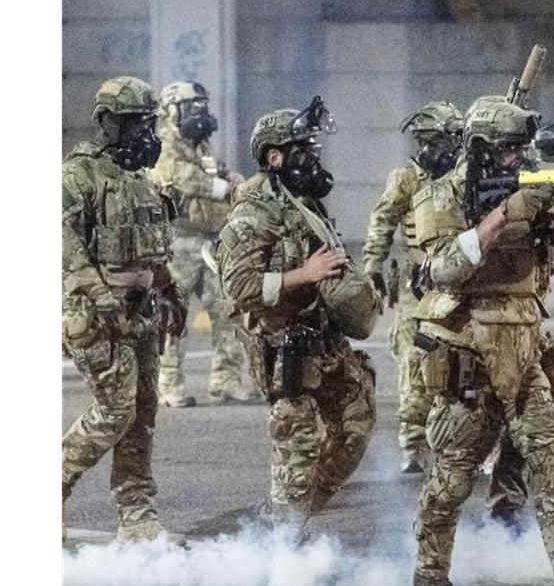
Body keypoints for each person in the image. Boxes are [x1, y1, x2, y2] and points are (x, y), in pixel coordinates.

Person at [409, 96, 554, 586]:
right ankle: (428, 573)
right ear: (484, 149)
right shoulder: (441, 194)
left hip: (525, 350)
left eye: (524, 150)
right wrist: (503, 216)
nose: (522, 159)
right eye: (512, 150)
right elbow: (439, 269)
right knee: (452, 477)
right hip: (466, 352)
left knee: (551, 464)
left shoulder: (532, 189)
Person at [216, 100, 379, 523]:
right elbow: (237, 287)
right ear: (275, 157)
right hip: (284, 351)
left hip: (325, 342)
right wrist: (303, 275)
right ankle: (285, 544)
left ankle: (290, 517)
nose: (314, 159)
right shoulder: (253, 216)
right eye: (303, 150)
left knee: (356, 426)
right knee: (297, 451)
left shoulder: (306, 206)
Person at [62, 76, 187, 541]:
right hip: (95, 315)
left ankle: (137, 513)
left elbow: (154, 250)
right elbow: (63, 244)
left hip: (141, 314)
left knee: (143, 413)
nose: (143, 134)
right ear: (107, 123)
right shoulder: (79, 176)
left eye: (147, 123)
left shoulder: (143, 181)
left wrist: (170, 291)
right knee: (115, 410)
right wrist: (100, 297)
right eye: (133, 123)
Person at [362, 100, 464, 473]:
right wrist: (372, 266)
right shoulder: (406, 178)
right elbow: (383, 219)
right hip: (415, 284)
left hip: (457, 281)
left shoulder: (466, 175)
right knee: (412, 361)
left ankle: (467, 440)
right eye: (422, 142)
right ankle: (413, 444)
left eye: (434, 141)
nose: (426, 151)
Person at [149, 81, 254, 407]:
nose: (199, 114)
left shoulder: (201, 146)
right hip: (178, 242)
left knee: (227, 311)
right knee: (173, 315)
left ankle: (226, 380)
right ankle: (168, 385)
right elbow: (185, 179)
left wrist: (232, 177)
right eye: (191, 107)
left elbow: (216, 172)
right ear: (171, 111)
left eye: (201, 106)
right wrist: (225, 188)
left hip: (211, 241)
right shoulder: (163, 146)